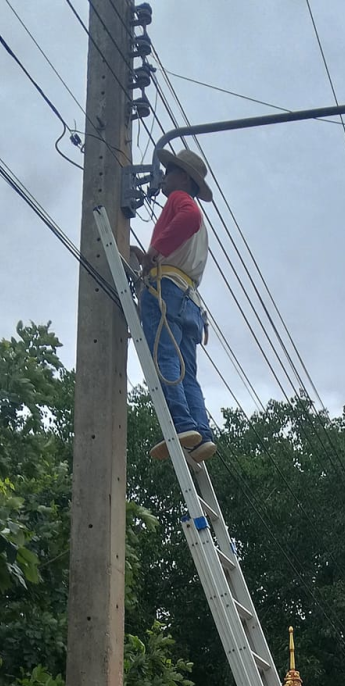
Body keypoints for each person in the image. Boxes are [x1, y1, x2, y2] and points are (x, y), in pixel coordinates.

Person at [131, 147, 216, 467]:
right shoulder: (197, 221)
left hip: (166, 288)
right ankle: (202, 434)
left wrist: (153, 252)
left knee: (164, 358)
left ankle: (182, 426)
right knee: (188, 373)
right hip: (189, 299)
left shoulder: (182, 201)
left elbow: (189, 218)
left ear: (183, 178)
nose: (164, 178)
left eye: (170, 172)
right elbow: (192, 222)